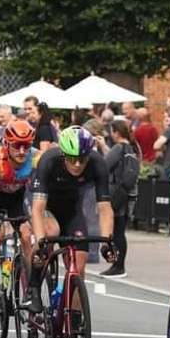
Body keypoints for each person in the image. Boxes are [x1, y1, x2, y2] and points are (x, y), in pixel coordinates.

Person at [26, 126, 116, 312]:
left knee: (79, 265)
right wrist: (41, 243)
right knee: (50, 232)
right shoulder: (49, 160)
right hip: (44, 204)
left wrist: (107, 241)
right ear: (63, 154)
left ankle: (74, 323)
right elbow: (37, 209)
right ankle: (33, 289)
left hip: (71, 209)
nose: (77, 164)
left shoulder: (98, 164)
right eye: (72, 159)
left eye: (82, 159)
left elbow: (105, 208)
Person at [0, 120, 39, 311]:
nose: (21, 151)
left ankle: (30, 289)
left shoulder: (35, 158)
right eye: (17, 146)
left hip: (17, 200)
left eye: (26, 145)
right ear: (6, 144)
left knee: (27, 236)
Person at [102, 120, 141, 278]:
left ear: (116, 132)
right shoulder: (132, 148)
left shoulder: (118, 148)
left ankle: (118, 266)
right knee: (120, 231)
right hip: (127, 194)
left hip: (117, 194)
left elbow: (105, 166)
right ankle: (118, 265)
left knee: (117, 231)